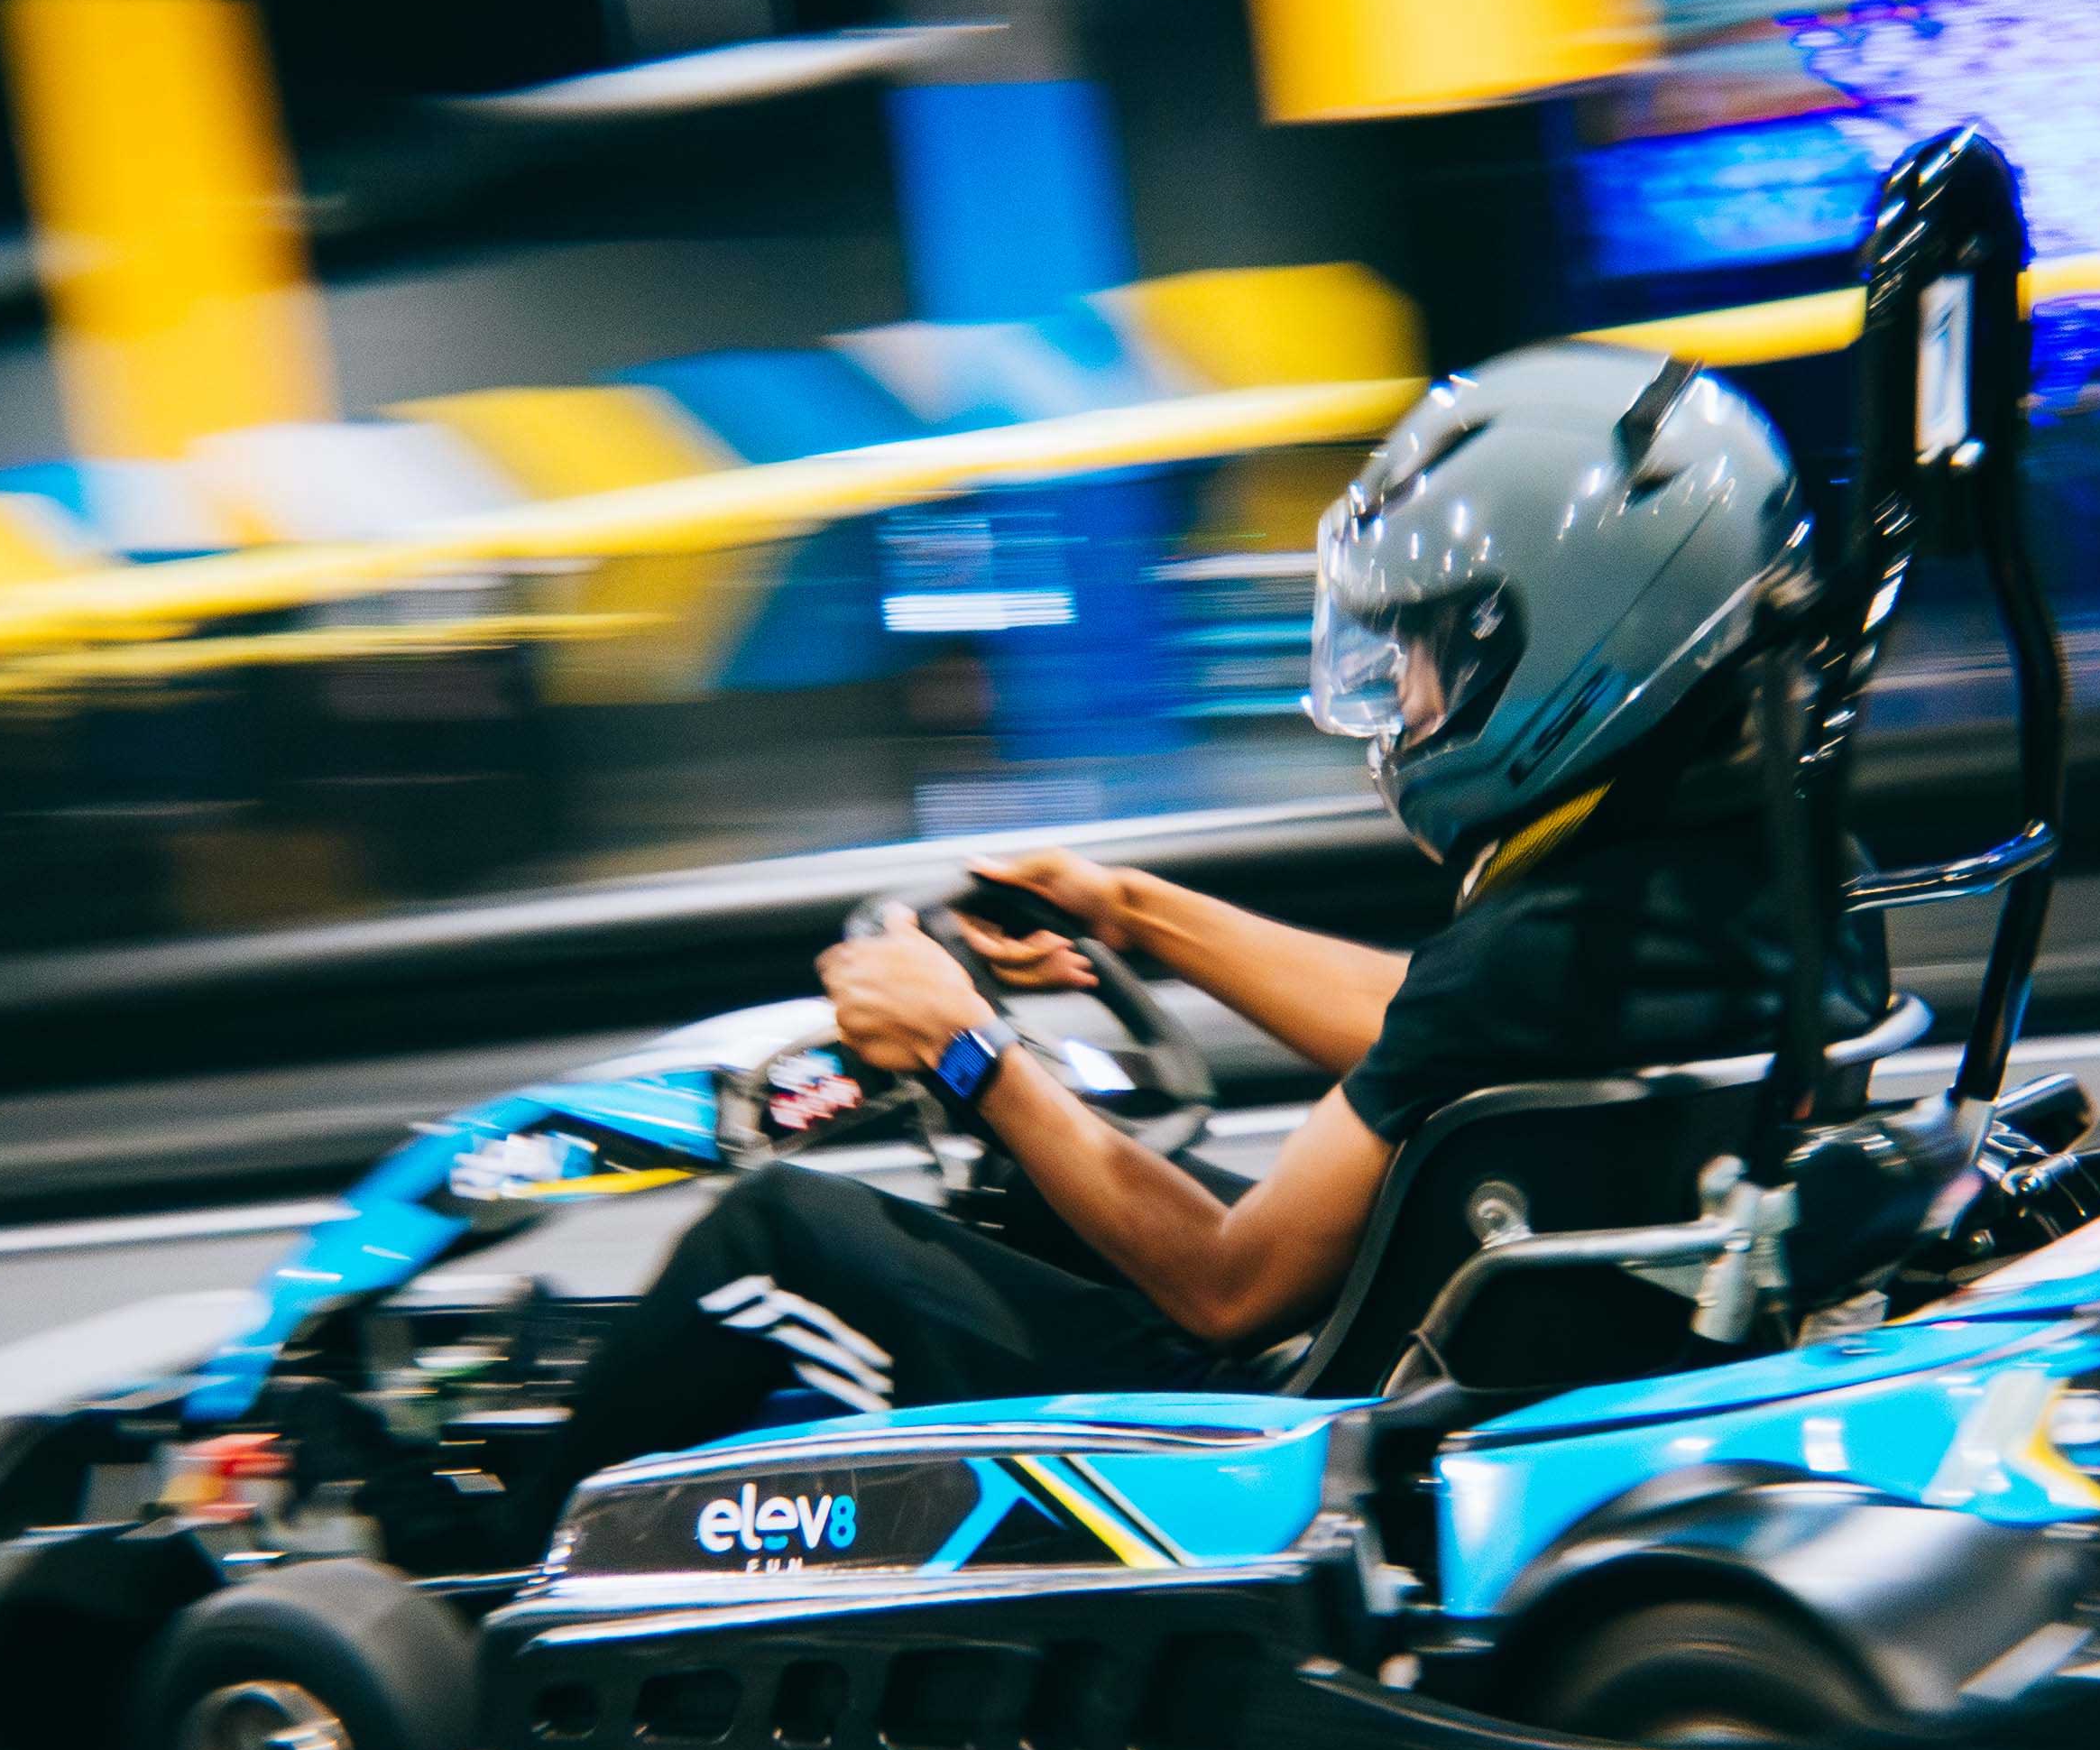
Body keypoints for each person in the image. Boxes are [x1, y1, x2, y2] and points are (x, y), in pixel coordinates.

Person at [512, 343, 1888, 1528]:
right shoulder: (1767, 887)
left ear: (1566, 644)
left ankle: (504, 1594)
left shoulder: (1532, 956)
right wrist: (1138, 913)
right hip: (1491, 1366)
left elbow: (1229, 1290)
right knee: (1026, 1190)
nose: (1409, 696)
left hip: (1273, 1459)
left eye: (1431, 650)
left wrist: (965, 1047)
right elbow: (1447, 1033)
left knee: (773, 1238)